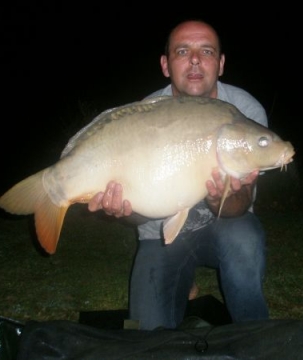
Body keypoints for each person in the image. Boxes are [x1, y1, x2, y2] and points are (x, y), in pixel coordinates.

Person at [88, 19, 269, 330]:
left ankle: (253, 333)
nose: (195, 59)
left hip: (225, 230)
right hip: (159, 234)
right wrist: (120, 210)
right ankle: (180, 284)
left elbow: (240, 207)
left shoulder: (244, 111)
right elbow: (139, 216)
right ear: (165, 64)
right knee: (141, 332)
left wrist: (219, 198)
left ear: (221, 63)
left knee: (246, 238)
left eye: (207, 51)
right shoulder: (145, 112)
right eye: (183, 51)